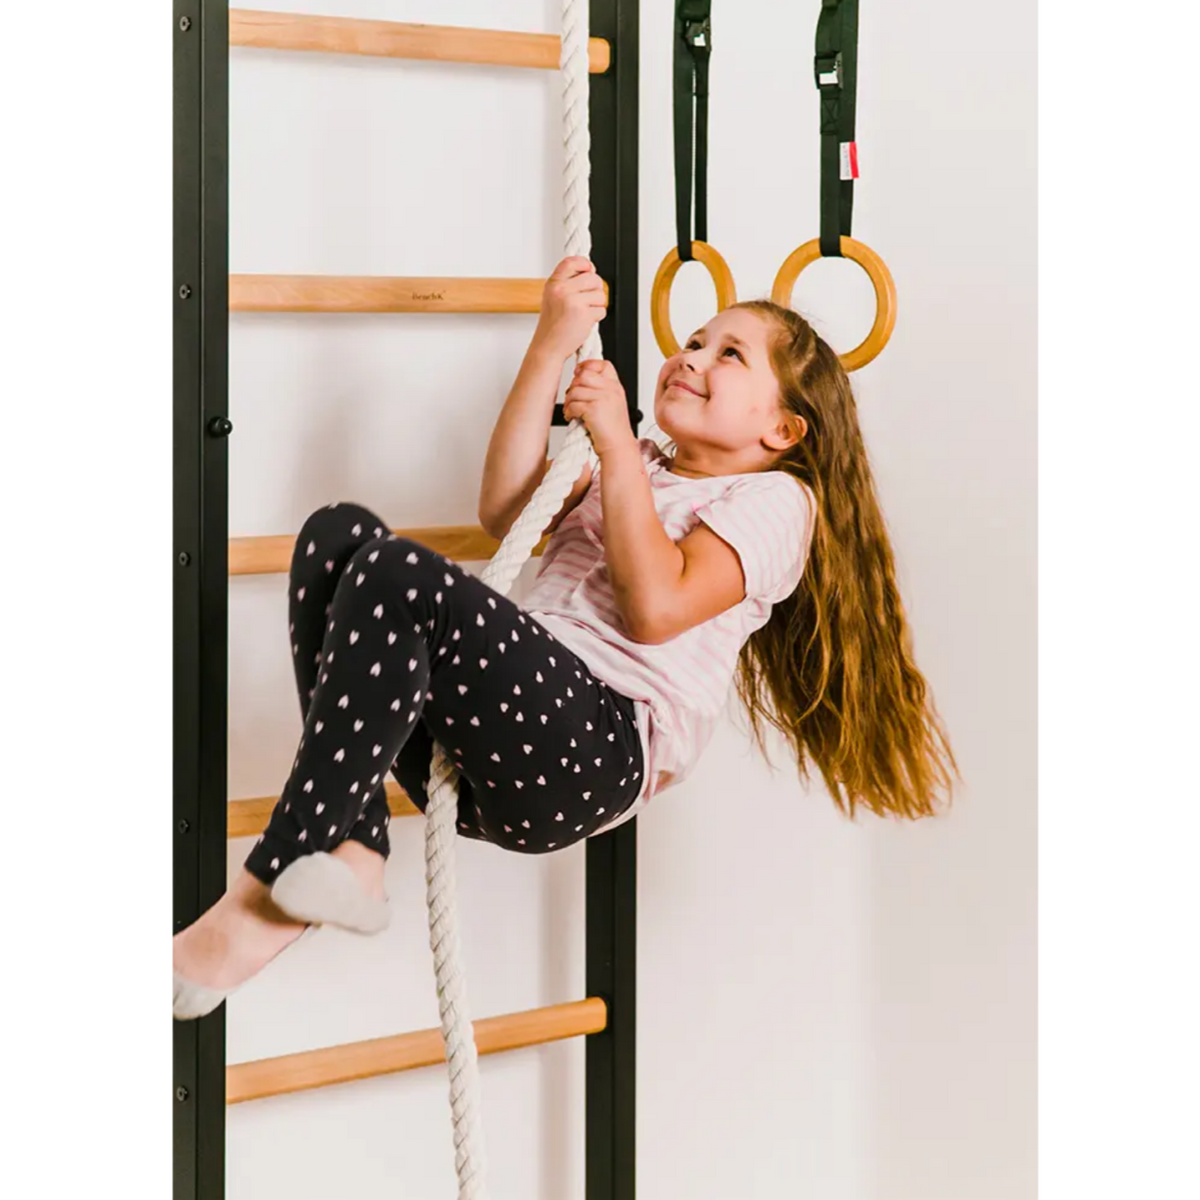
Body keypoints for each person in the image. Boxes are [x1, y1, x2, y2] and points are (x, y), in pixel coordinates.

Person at [173, 256, 955, 1018]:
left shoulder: (775, 502)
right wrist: (550, 343)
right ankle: (354, 848)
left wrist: (617, 444)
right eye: (693, 341)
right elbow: (508, 513)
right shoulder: (640, 461)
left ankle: (266, 893)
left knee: (396, 573)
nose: (692, 357)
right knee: (338, 536)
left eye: (730, 354)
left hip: (593, 747)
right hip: (507, 734)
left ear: (783, 426)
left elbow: (656, 608)